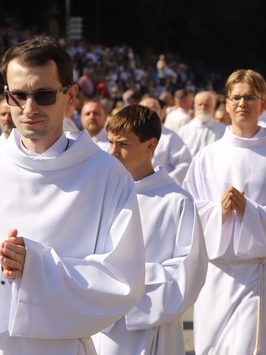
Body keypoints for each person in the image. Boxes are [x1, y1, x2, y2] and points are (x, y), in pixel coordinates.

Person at [0, 35, 145, 354]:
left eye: (43, 95)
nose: (29, 108)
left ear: (70, 97)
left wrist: (37, 265)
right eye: (18, 95)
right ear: (6, 96)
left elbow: (123, 281)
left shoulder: (106, 176)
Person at [183, 69, 266, 355]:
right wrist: (220, 210)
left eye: (250, 97)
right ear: (226, 103)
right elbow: (188, 211)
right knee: (213, 348)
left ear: (263, 105)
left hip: (258, 274)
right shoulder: (208, 156)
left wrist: (250, 211)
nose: (242, 103)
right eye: (236, 97)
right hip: (216, 275)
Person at [95, 104, 208, 354]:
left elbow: (188, 273)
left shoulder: (177, 202)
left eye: (123, 144)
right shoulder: (100, 195)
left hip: (152, 327)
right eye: (110, 142)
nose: (112, 152)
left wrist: (125, 282)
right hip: (100, 323)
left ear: (150, 145)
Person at [140, 97, 193, 185]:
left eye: (154, 109)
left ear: (162, 112)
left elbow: (184, 164)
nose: (149, 113)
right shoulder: (130, 136)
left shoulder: (171, 137)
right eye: (144, 109)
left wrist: (164, 181)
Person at [178, 91, 225, 157]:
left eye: (206, 105)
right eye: (200, 104)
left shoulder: (223, 131)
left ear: (214, 107)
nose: (203, 108)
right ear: (194, 106)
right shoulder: (184, 131)